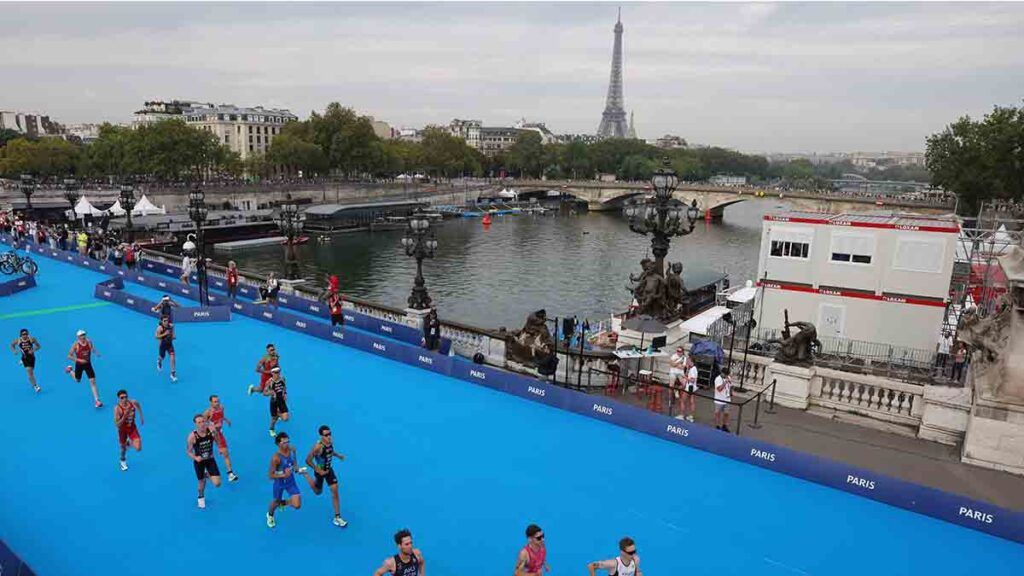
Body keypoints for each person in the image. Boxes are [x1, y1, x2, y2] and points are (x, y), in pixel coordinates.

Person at [266, 432, 314, 529]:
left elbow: (294, 463)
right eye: (284, 443)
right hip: (279, 484)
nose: (287, 444)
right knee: (275, 502)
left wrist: (298, 469)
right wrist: (284, 474)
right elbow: (270, 476)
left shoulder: (292, 450)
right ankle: (270, 515)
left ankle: (282, 503)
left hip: (290, 482)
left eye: (288, 442)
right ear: (278, 444)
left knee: (297, 505)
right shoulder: (275, 458)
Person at [305, 424, 347, 527]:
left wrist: (338, 455)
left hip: (329, 470)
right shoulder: (317, 447)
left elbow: (330, 452)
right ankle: (305, 474)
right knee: (318, 492)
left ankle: (337, 517)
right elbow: (308, 460)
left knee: (335, 490)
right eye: (326, 435)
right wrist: (318, 470)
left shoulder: (330, 443)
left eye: (330, 434)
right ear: (321, 436)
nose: (329, 436)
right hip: (320, 472)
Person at [186, 413, 222, 509]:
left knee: (217, 484)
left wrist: (219, 447)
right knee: (201, 482)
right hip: (199, 462)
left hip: (210, 460)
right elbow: (188, 452)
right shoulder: (192, 437)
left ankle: (207, 474)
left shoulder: (211, 430)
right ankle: (200, 497)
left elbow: (217, 437)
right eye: (199, 422)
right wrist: (195, 457)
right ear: (195, 424)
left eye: (203, 421)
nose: (202, 424)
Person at [203, 395, 239, 482]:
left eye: (218, 401)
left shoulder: (221, 407)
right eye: (215, 401)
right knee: (207, 454)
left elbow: (221, 416)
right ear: (211, 403)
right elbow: (203, 424)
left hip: (218, 433)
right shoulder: (207, 412)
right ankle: (205, 471)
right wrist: (212, 427)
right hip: (209, 434)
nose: (217, 403)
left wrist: (226, 420)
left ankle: (230, 474)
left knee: (225, 453)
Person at [65, 329, 102, 408]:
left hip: (88, 364)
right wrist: (79, 360)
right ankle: (70, 370)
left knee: (92, 381)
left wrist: (96, 353)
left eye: (84, 334)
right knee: (77, 380)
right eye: (81, 335)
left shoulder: (89, 342)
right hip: (79, 365)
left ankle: (97, 400)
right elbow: (69, 356)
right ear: (78, 337)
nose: (83, 336)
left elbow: (92, 348)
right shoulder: (76, 345)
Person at [114, 389, 144, 471]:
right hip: (122, 430)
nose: (124, 399)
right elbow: (117, 424)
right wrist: (124, 416)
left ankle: (128, 443)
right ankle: (122, 461)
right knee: (123, 449)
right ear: (119, 399)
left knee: (138, 448)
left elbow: (138, 406)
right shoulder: (117, 409)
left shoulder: (133, 402)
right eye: (122, 398)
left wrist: (141, 416)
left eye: (126, 397)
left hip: (132, 428)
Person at [10, 328, 41, 393]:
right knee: (30, 373)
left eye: (26, 334)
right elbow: (12, 345)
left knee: (31, 371)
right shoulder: (18, 341)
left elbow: (38, 346)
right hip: (25, 358)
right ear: (20, 335)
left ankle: (21, 360)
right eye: (23, 334)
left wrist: (33, 350)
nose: (25, 335)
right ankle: (35, 386)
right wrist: (14, 351)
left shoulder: (32, 339)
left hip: (32, 358)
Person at [264, 367, 289, 437]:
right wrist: (270, 393)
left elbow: (284, 387)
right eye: (276, 372)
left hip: (281, 400)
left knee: (286, 418)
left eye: (278, 372)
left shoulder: (282, 379)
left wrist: (285, 393)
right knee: (274, 419)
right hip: (274, 402)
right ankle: (271, 429)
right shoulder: (269, 382)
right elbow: (264, 393)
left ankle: (278, 414)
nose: (277, 374)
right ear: (272, 373)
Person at [155, 316, 178, 382]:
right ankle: (159, 361)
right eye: (164, 321)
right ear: (162, 321)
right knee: (162, 357)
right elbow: (156, 336)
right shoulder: (160, 328)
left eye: (167, 320)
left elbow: (173, 331)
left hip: (169, 344)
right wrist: (165, 334)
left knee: (172, 357)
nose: (166, 322)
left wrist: (173, 335)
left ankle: (173, 374)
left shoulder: (171, 326)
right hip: (162, 345)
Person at [679, 355, 699, 423]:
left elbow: (692, 380)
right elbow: (688, 374)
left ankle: (682, 415)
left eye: (688, 360)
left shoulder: (693, 369)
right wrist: (687, 369)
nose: (687, 361)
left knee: (683, 400)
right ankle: (691, 417)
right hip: (693, 387)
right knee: (692, 402)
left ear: (691, 361)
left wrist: (685, 377)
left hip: (689, 387)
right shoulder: (692, 368)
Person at [713, 366, 732, 432]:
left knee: (726, 413)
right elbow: (719, 389)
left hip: (727, 399)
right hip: (719, 400)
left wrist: (731, 393)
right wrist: (724, 383)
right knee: (717, 413)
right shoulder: (717, 379)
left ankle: (724, 425)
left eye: (727, 374)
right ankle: (717, 426)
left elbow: (730, 387)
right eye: (725, 374)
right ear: (722, 373)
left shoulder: (728, 377)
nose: (726, 376)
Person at [668, 346, 685, 417]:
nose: (678, 352)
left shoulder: (684, 358)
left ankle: (676, 391)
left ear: (682, 352)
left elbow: (682, 367)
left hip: (680, 373)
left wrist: (675, 363)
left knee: (684, 384)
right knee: (671, 385)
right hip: (673, 372)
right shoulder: (673, 356)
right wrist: (678, 363)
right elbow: (671, 364)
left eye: (680, 351)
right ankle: (670, 400)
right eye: (677, 351)